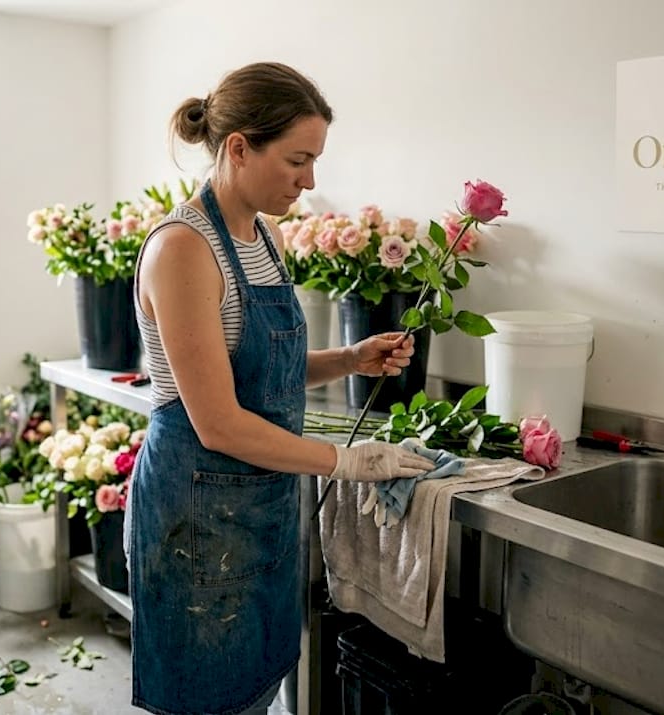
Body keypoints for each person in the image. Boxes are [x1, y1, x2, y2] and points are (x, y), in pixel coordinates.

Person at [128, 61, 436, 715]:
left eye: (314, 160)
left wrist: (350, 358)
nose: (309, 180)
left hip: (258, 509)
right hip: (195, 518)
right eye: (298, 160)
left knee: (256, 689)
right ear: (239, 148)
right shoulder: (183, 249)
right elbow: (219, 421)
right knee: (210, 699)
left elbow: (262, 368)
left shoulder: (265, 236)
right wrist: (348, 461)